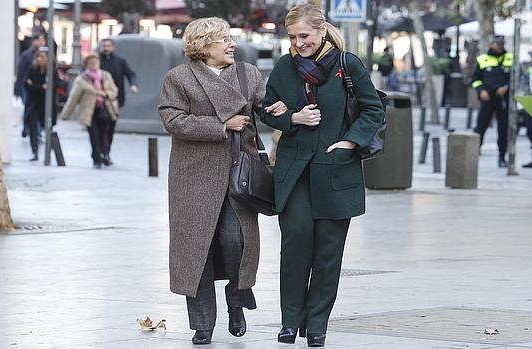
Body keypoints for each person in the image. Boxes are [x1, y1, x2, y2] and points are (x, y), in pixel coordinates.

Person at [259, 4, 385, 347]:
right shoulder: (285, 67)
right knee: (295, 242)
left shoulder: (348, 64)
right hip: (294, 170)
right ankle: (289, 322)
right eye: (293, 37)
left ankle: (317, 326)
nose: (299, 43)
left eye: (305, 36)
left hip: (336, 169)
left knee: (328, 254)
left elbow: (374, 109)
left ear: (322, 31)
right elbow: (267, 109)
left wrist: (349, 142)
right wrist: (291, 119)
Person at [157, 17, 266, 345]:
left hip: (238, 173)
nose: (232, 44)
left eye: (231, 38)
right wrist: (221, 126)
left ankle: (237, 301)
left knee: (237, 242)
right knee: (196, 252)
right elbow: (172, 119)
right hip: (193, 176)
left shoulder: (248, 74)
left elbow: (268, 108)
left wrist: (288, 112)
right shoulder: (178, 78)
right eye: (223, 40)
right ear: (203, 46)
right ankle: (202, 325)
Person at [60, 52, 118, 169]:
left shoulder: (106, 76)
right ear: (86, 65)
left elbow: (114, 91)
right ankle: (97, 159)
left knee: (105, 134)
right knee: (94, 136)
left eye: (95, 62)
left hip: (106, 110)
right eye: (91, 63)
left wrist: (105, 93)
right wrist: (65, 114)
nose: (93, 64)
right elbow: (73, 98)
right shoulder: (81, 80)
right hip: (89, 112)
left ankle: (104, 154)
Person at [471, 35, 513, 167]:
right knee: (480, 127)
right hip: (487, 98)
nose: (499, 46)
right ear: (491, 44)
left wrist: (506, 88)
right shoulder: (482, 59)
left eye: (501, 44)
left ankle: (502, 157)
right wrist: (481, 91)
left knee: (503, 129)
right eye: (497, 44)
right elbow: (475, 79)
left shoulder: (510, 58)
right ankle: (474, 152)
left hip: (503, 99)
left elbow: (516, 78)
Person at [99, 38, 139, 166]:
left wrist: (133, 85)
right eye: (104, 45)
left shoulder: (120, 61)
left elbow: (130, 74)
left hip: (115, 100)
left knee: (110, 127)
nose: (106, 48)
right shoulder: (97, 60)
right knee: (102, 127)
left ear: (113, 47)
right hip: (99, 99)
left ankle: (106, 152)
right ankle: (101, 152)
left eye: (108, 45)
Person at [23, 47, 61, 161]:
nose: (40, 59)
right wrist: (41, 87)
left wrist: (35, 85)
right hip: (33, 103)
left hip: (46, 105)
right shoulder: (32, 69)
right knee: (33, 126)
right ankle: (35, 151)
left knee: (47, 127)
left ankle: (48, 151)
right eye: (38, 57)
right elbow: (26, 84)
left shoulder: (52, 71)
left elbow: (54, 86)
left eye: (43, 57)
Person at [15, 33, 47, 138]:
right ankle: (29, 129)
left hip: (39, 89)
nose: (42, 42)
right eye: (40, 40)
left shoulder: (47, 54)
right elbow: (21, 72)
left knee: (36, 111)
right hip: (27, 88)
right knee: (29, 109)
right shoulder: (27, 55)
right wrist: (18, 88)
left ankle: (34, 130)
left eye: (43, 40)